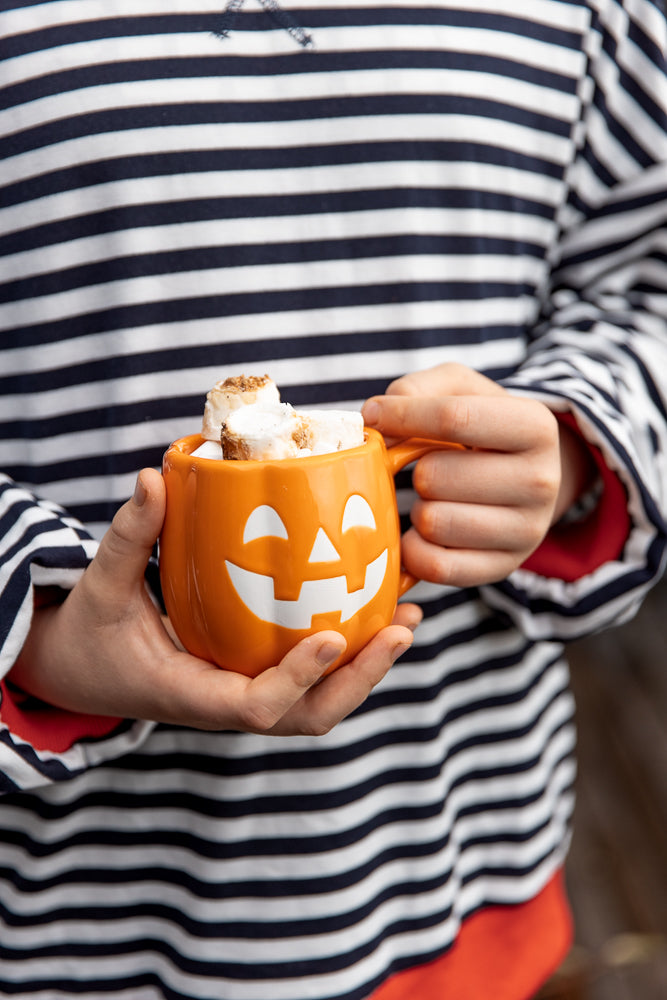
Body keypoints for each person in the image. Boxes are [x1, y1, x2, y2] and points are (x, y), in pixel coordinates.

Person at [1, 1, 665, 997]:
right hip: (61, 937)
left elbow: (646, 275)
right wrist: (36, 630)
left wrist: (576, 446)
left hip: (457, 892)